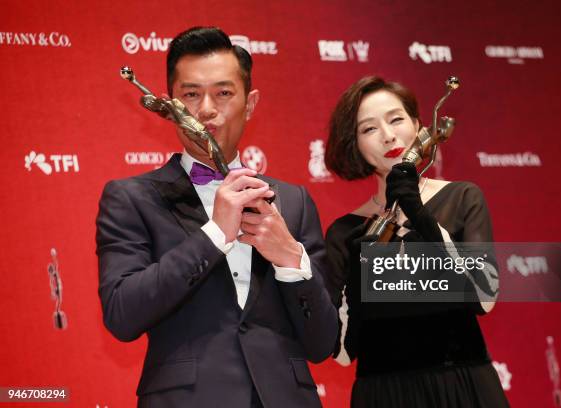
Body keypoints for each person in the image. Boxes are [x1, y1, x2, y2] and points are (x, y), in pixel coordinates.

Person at [96, 26, 337, 408]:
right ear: (169, 105)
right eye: (191, 94)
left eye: (223, 93)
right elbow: (123, 314)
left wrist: (292, 261)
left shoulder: (293, 201)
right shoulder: (131, 198)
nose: (207, 109)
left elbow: (323, 344)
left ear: (250, 102)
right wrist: (214, 235)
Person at [324, 76, 509, 407]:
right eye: (368, 129)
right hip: (383, 395)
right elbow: (341, 353)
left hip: (464, 389)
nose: (387, 135)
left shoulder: (462, 197)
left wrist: (419, 214)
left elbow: (484, 297)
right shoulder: (346, 231)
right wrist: (358, 274)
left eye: (396, 119)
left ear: (418, 125)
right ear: (355, 146)